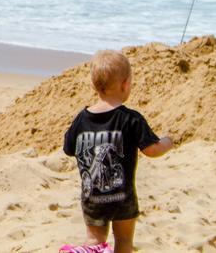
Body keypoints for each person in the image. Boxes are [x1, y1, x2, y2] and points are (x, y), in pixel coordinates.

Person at [61, 50, 174, 253]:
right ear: (125, 84)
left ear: (95, 86)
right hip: (123, 197)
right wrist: (168, 141)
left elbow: (69, 148)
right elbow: (152, 149)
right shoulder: (131, 119)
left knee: (94, 239)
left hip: (92, 196)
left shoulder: (81, 119)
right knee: (123, 241)